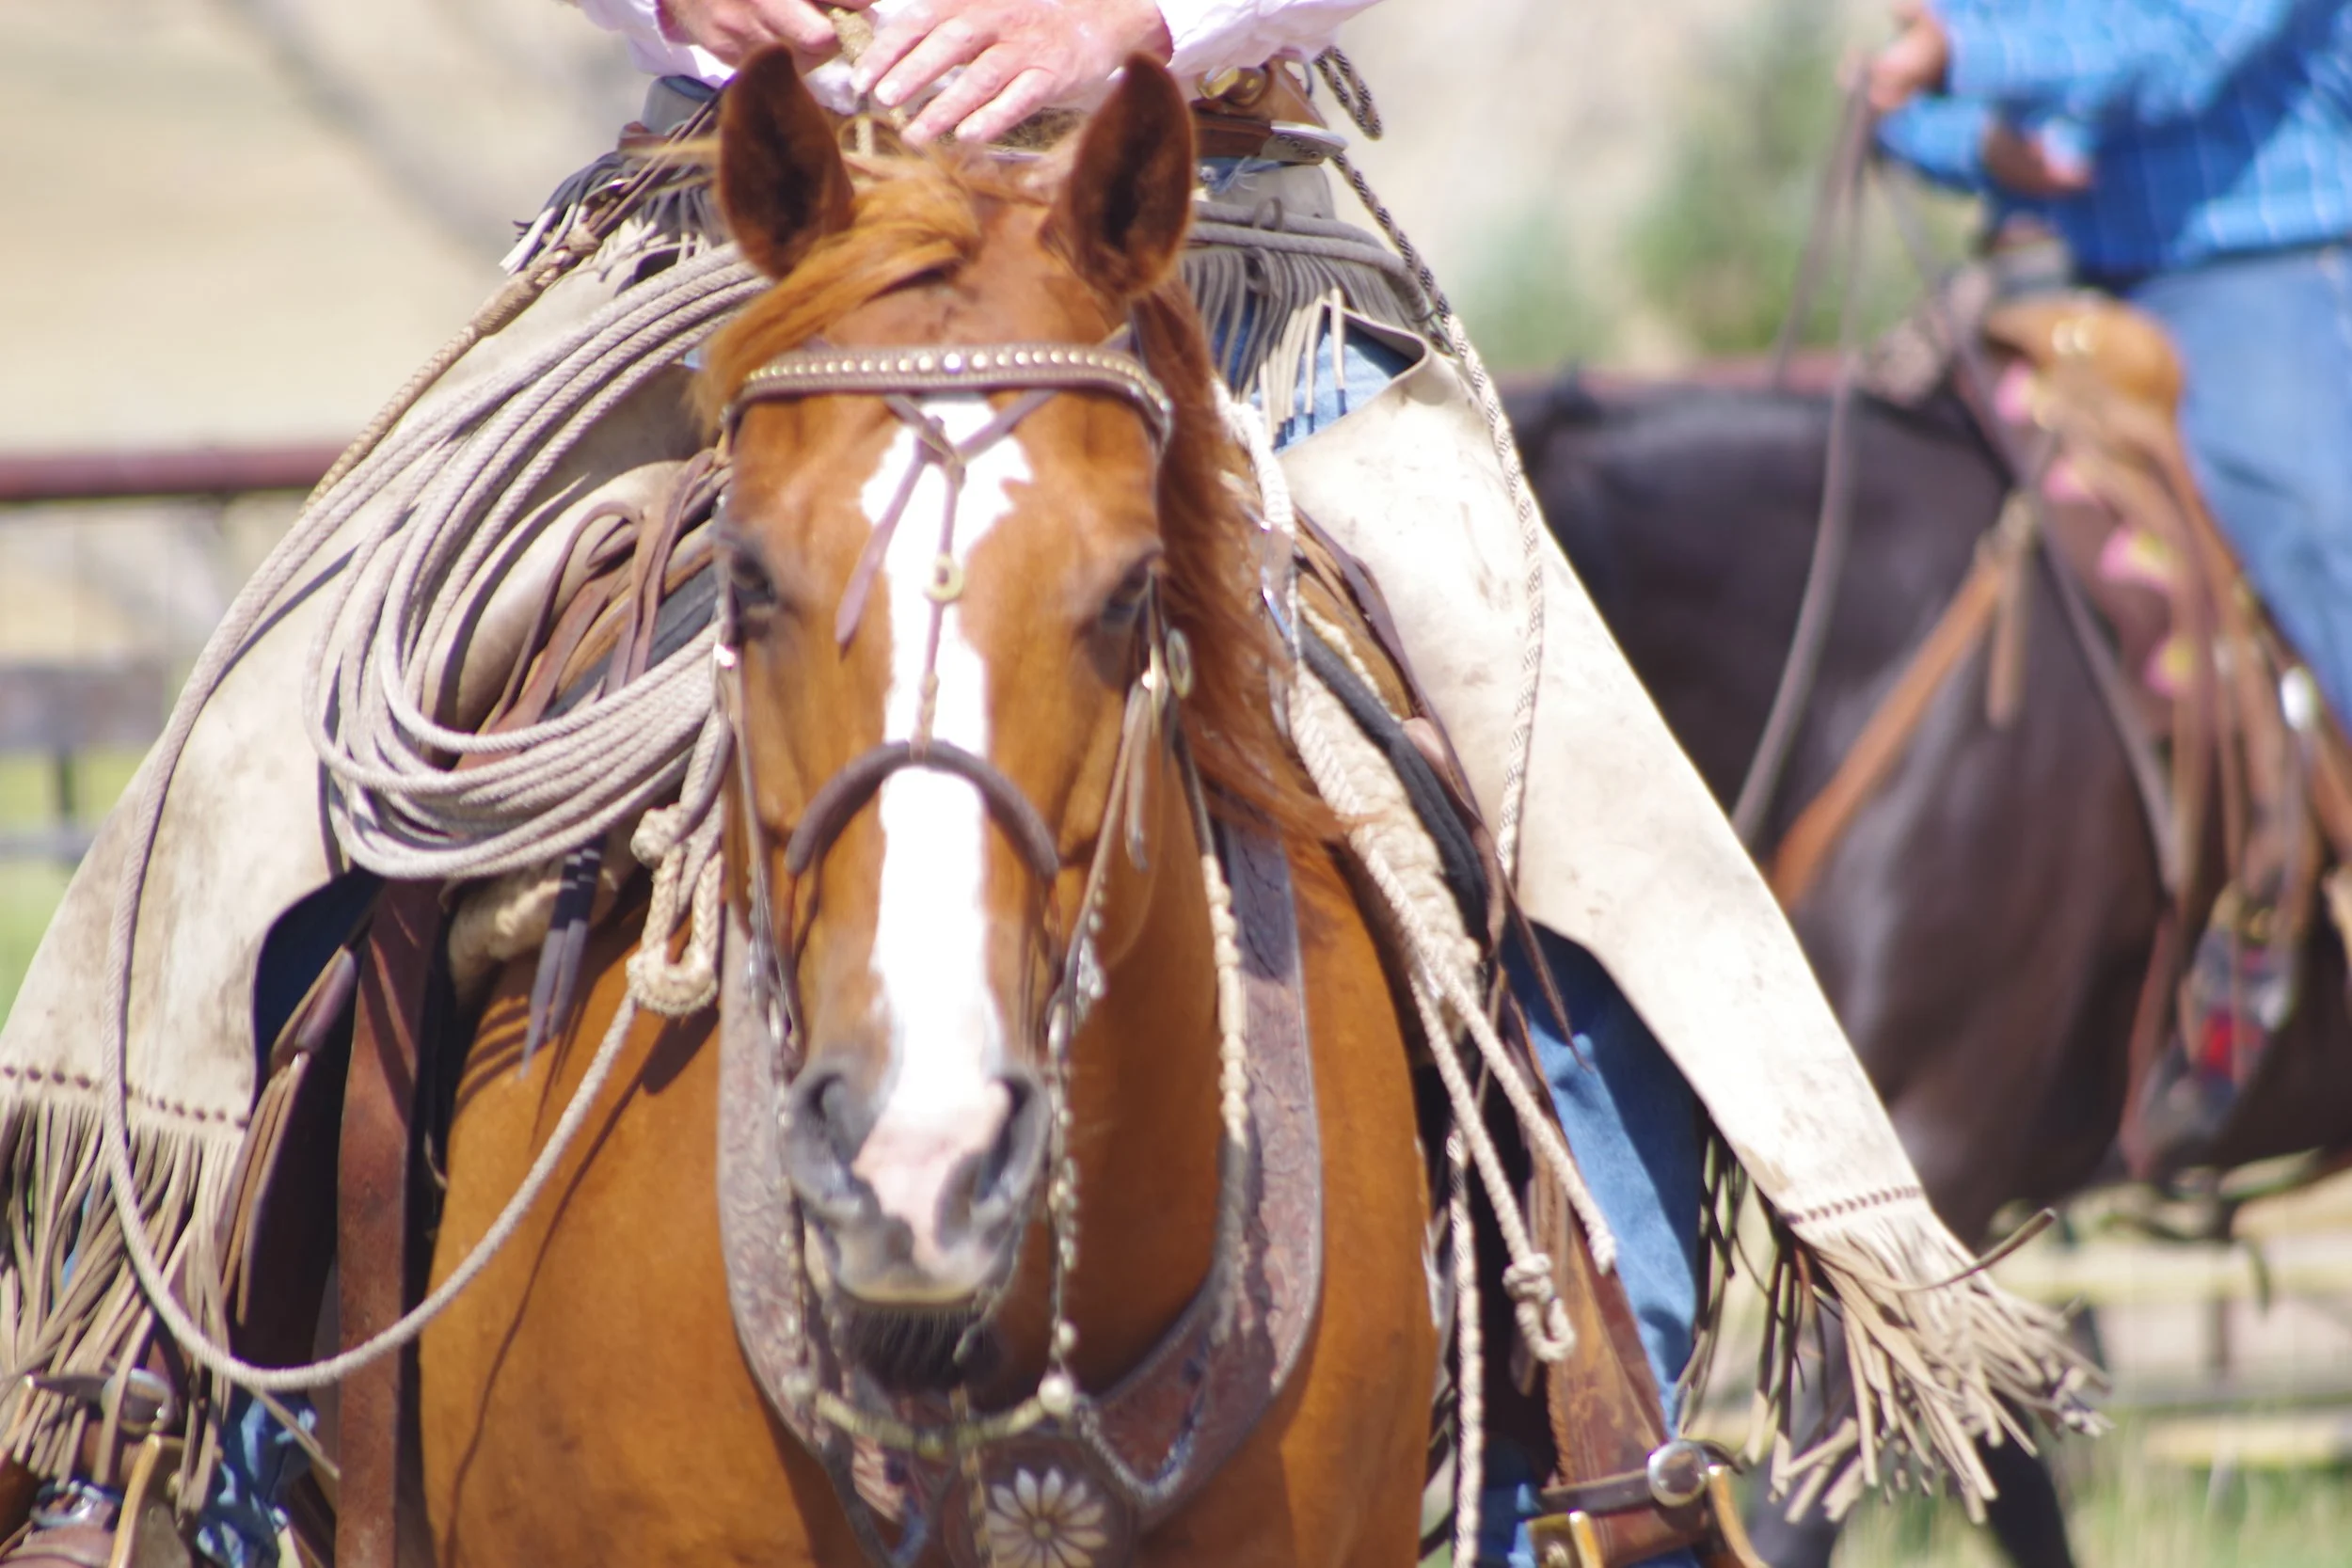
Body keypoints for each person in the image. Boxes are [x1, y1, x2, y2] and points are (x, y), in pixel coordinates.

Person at [0, 3, 2087, 1563]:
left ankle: (1594, 1466)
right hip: (756, 243)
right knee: (298, 720)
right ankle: (160, 1438)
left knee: (1568, 807)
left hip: (1183, 241)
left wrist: (1143, 29)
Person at [1873, 0, 2352, 1164]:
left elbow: (2184, 45)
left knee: (2317, 529)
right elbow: (1901, 100)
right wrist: (1977, 142)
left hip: (2266, 273)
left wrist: (1963, 60)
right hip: (2063, 284)